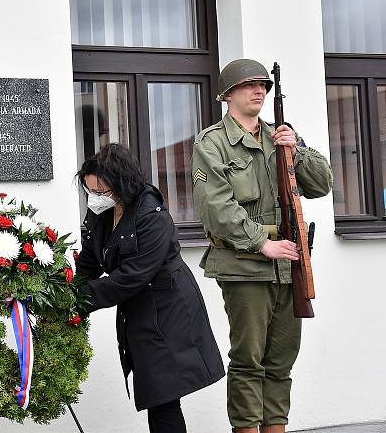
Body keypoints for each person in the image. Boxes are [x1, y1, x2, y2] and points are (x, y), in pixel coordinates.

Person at [191, 59, 333, 433]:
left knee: (281, 361)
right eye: (249, 85)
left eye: (264, 86)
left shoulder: (280, 137)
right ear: (227, 95)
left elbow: (321, 184)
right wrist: (261, 243)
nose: (259, 91)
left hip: (290, 266)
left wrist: (297, 149)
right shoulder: (213, 143)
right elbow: (216, 208)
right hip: (243, 266)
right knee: (248, 361)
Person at [76, 143, 225, 433]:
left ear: (121, 184)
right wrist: (68, 291)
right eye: (89, 191)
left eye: (100, 191)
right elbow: (91, 259)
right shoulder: (102, 211)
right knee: (159, 394)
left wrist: (79, 300)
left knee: (163, 394)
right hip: (140, 309)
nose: (94, 198)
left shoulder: (152, 215)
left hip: (168, 309)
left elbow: (132, 276)